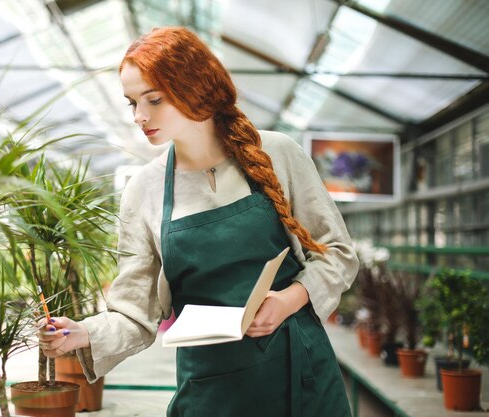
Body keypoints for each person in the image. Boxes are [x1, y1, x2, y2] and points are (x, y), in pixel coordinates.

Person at [40, 26, 358, 417]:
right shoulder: (145, 190)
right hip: (211, 386)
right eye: (132, 103)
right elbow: (135, 314)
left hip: (301, 375)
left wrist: (289, 299)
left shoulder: (276, 153)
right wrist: (84, 333)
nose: (140, 116)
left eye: (153, 100)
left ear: (194, 87)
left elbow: (338, 253)